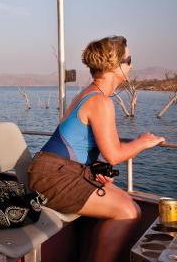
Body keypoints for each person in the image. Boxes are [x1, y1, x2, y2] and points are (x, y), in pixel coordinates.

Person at [28, 36, 165, 262]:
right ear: (114, 65)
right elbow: (114, 154)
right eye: (129, 60)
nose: (132, 65)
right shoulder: (100, 101)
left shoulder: (92, 94)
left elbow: (86, 146)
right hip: (52, 176)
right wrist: (143, 141)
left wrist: (93, 168)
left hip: (62, 171)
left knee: (134, 209)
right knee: (127, 213)